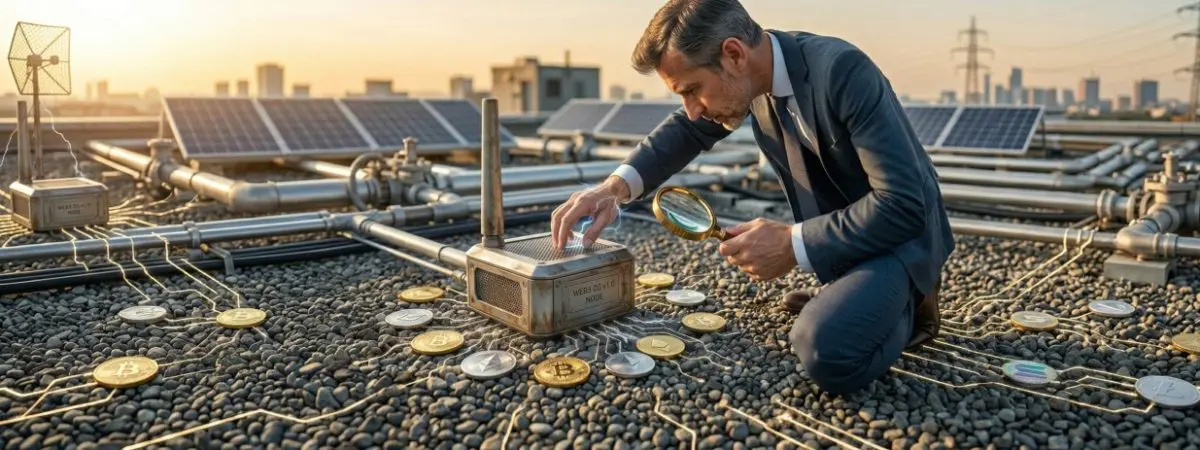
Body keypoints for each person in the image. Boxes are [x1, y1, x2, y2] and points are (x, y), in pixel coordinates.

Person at [549, 0, 954, 394]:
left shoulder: (841, 71)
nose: (691, 109)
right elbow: (685, 131)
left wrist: (792, 244)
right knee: (827, 324)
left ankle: (913, 302)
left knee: (825, 349)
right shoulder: (753, 82)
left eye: (692, 90)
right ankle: (850, 287)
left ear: (733, 54)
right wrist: (611, 190)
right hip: (845, 239)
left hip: (901, 239)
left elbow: (902, 204)